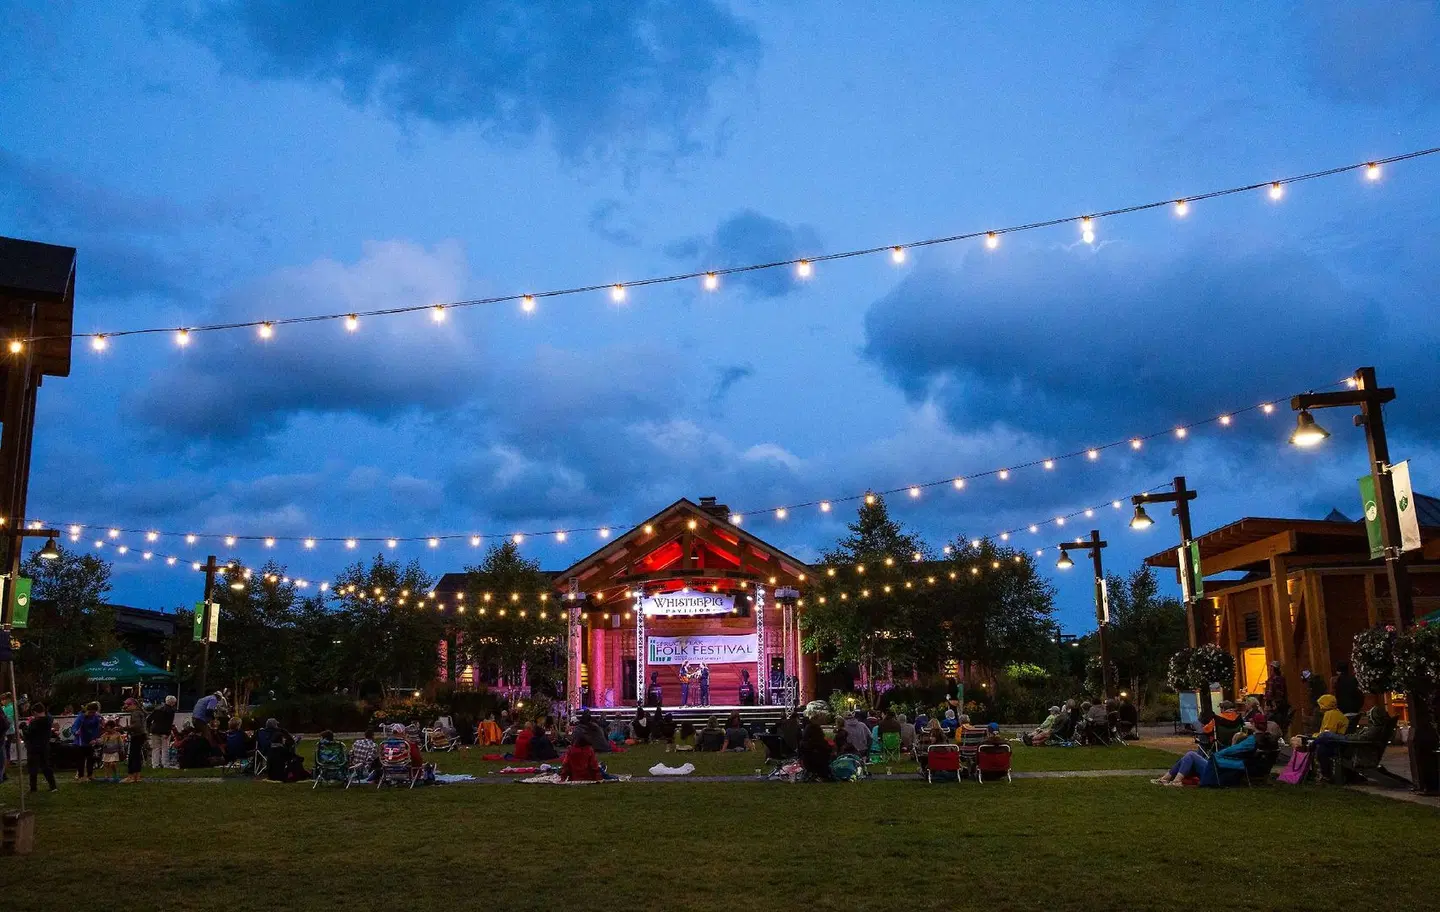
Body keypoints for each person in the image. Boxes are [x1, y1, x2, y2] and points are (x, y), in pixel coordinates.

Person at [1154, 728, 1273, 786]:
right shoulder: (1246, 751)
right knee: (1188, 757)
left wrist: (1216, 755)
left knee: (1190, 755)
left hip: (1216, 768)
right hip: (1219, 767)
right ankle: (1166, 778)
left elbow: (1207, 730)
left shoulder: (1233, 752)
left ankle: (1175, 780)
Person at [22, 703, 56, 792]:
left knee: (33, 768)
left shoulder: (35, 722)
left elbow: (28, 734)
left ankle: (33, 788)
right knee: (46, 767)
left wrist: (24, 727)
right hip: (44, 746)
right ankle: (53, 786)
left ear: (35, 712)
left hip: (34, 747)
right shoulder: (49, 719)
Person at [71, 703, 103, 781]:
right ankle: (81, 776)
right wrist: (76, 732)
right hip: (80, 741)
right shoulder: (81, 717)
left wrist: (95, 739)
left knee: (91, 759)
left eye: (93, 712)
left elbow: (96, 729)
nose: (92, 714)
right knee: (80, 760)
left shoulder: (96, 718)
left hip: (90, 741)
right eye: (90, 712)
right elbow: (74, 727)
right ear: (86, 711)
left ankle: (90, 775)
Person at [146, 695, 177, 769]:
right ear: (172, 703)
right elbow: (169, 723)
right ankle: (165, 764)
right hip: (164, 732)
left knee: (155, 748)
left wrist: (149, 728)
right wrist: (168, 732)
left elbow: (149, 719)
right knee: (165, 749)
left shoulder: (157, 709)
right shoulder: (171, 711)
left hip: (155, 730)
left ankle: (155, 764)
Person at [1263, 661, 1291, 734]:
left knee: (1277, 723)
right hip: (1271, 705)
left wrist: (1274, 703)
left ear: (1274, 668)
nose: (1270, 669)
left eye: (1271, 667)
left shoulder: (1278, 679)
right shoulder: (1271, 678)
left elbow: (1279, 693)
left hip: (1276, 706)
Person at [123, 698, 147, 783]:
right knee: (136, 756)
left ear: (133, 704)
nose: (125, 707)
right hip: (141, 735)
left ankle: (131, 776)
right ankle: (137, 776)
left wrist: (124, 728)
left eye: (127, 705)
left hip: (137, 735)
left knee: (133, 756)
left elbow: (136, 725)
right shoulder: (140, 712)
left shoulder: (135, 713)